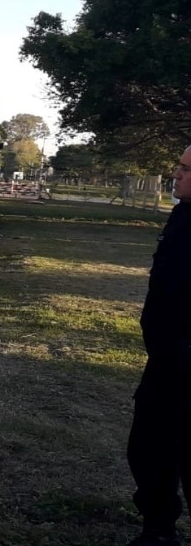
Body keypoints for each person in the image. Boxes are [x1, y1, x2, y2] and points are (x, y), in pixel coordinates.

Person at [128, 146, 191, 546]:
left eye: (185, 169)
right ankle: (158, 528)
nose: (175, 173)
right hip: (167, 358)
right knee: (148, 446)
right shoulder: (183, 212)